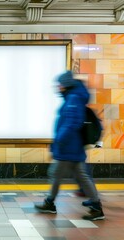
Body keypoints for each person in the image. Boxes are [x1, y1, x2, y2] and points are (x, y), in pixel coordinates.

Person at [34, 70, 105, 221]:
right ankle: (96, 205)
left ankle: (49, 203)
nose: (57, 87)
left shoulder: (73, 98)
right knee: (81, 176)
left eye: (59, 84)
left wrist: (59, 140)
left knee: (55, 174)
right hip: (72, 146)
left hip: (68, 147)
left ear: (65, 85)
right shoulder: (73, 97)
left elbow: (72, 123)